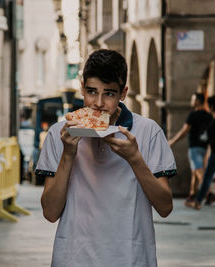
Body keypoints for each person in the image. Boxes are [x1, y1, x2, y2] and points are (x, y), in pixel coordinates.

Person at [36, 49, 177, 266]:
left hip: (131, 258)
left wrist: (135, 159)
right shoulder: (59, 133)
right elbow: (50, 212)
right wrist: (68, 154)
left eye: (109, 93)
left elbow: (165, 207)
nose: (98, 103)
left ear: (123, 93)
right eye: (92, 91)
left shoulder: (149, 132)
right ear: (82, 88)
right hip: (73, 258)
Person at [169, 93, 215, 206]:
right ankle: (192, 195)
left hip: (194, 148)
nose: (191, 101)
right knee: (195, 172)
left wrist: (171, 142)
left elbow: (184, 132)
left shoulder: (193, 115)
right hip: (205, 147)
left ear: (198, 101)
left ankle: (208, 193)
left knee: (198, 171)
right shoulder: (209, 116)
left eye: (193, 99)